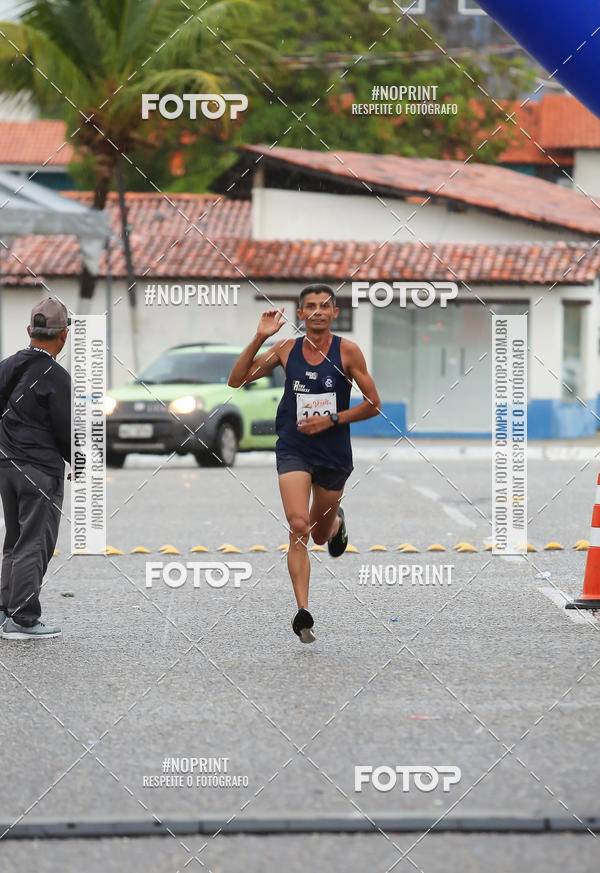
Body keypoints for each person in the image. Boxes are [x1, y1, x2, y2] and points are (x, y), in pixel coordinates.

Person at [229, 284, 381, 643]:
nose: (317, 311)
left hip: (333, 452)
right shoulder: (284, 349)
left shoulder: (348, 351)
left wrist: (331, 420)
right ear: (300, 314)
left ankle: (337, 520)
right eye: (309, 306)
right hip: (294, 447)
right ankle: (303, 612)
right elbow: (237, 380)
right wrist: (258, 337)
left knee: (317, 533)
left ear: (334, 313)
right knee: (298, 525)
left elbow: (373, 403)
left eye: (324, 306)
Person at [0, 298, 71, 640]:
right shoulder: (57, 376)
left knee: (13, 541)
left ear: (30, 331)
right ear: (64, 336)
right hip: (40, 469)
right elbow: (64, 428)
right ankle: (24, 620)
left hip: (6, 466)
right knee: (34, 543)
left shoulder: (6, 366)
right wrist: (79, 461)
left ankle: (4, 612)